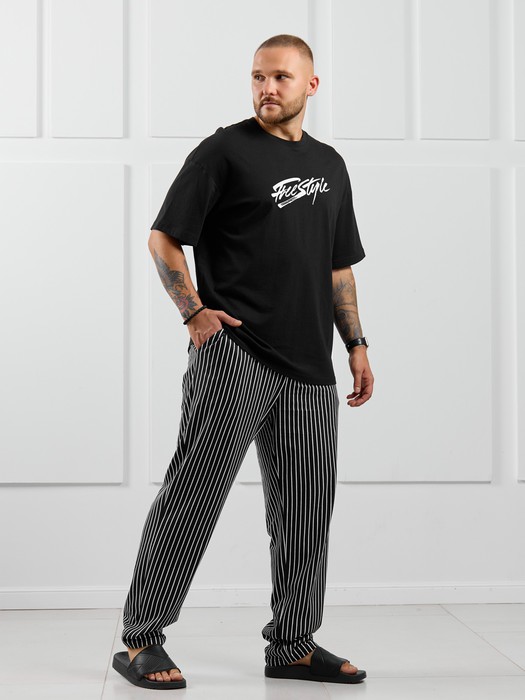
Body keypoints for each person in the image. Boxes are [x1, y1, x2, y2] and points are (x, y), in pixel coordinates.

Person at [112, 33, 374, 690]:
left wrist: (356, 344)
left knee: (306, 511)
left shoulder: (331, 164)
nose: (267, 88)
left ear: (310, 85)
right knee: (193, 495)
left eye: (280, 77)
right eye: (258, 77)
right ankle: (141, 638)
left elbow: (337, 266)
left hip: (310, 366)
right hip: (235, 355)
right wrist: (193, 312)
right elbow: (162, 237)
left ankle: (293, 645)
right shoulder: (223, 151)